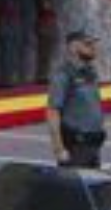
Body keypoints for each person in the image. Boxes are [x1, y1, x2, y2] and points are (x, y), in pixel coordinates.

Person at [46, 30, 107, 168]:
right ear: (73, 47)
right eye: (88, 44)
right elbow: (53, 112)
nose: (93, 48)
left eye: (94, 44)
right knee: (72, 187)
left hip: (93, 144)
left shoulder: (90, 72)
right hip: (75, 146)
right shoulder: (63, 75)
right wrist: (59, 148)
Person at [0, 0, 24, 87]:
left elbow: (16, 8)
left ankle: (8, 80)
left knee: (9, 55)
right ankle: (5, 80)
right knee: (5, 55)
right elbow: (5, 8)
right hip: (5, 26)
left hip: (9, 26)